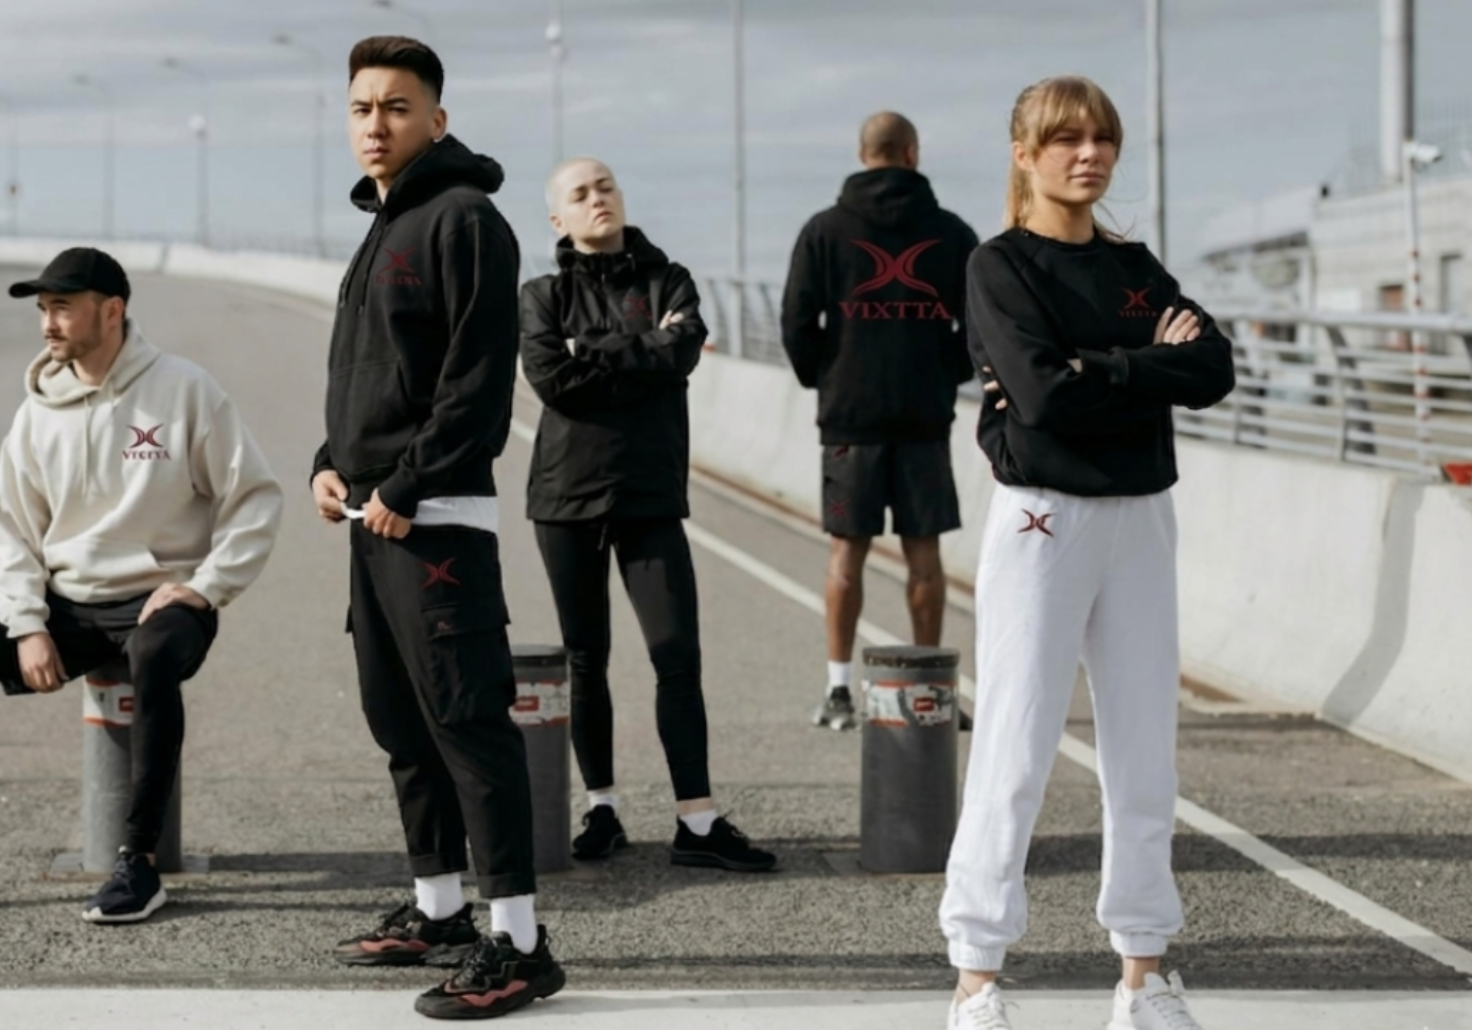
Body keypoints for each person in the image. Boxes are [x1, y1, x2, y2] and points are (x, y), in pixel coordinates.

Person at [0, 247, 283, 926]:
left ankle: (139, 862)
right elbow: (13, 530)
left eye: (62, 307)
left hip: (162, 601)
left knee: (154, 654)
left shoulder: (185, 389)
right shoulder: (37, 412)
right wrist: (29, 624)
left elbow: (254, 497)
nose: (47, 322)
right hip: (67, 608)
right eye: (42, 308)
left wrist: (205, 586)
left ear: (112, 311)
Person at [938, 77, 1233, 1030]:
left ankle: (1143, 977)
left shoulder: (1134, 265)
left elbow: (1213, 367)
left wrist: (1098, 366)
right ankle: (976, 978)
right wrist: (1145, 368)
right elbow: (1041, 397)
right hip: (1044, 520)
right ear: (1025, 154)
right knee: (1017, 742)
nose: (1089, 154)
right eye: (1066, 139)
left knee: (1145, 752)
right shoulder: (999, 266)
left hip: (1141, 515)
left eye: (1102, 138)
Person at [309, 36, 565, 1020]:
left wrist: (408, 484)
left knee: (468, 727)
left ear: (437, 120)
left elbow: (478, 386)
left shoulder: (466, 221)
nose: (375, 124)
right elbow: (367, 380)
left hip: (436, 521)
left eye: (396, 107)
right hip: (372, 516)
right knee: (401, 725)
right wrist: (329, 461)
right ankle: (440, 909)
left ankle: (520, 945)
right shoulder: (382, 227)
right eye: (362, 108)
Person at [519, 157, 776, 873]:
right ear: (559, 219)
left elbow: (681, 353)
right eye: (580, 194)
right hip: (566, 498)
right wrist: (642, 357)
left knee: (676, 656)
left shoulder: (670, 280)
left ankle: (698, 821)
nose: (596, 198)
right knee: (585, 658)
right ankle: (601, 808)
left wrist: (593, 350)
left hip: (650, 495)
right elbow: (553, 382)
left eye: (605, 186)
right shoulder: (541, 295)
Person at [780, 112, 979, 732]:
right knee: (925, 555)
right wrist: (944, 372)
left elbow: (795, 321)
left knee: (847, 553)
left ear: (862, 153)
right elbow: (979, 325)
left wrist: (827, 375)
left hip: (850, 422)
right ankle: (931, 689)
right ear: (912, 153)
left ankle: (839, 690)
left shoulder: (823, 230)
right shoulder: (952, 233)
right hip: (924, 418)